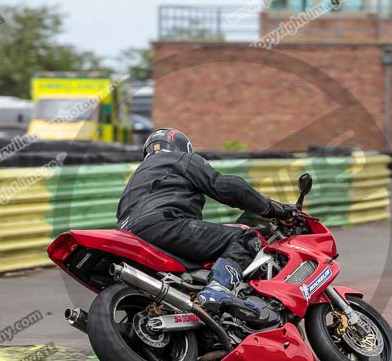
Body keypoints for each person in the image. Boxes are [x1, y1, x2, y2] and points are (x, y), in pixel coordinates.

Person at [116, 128, 296, 325]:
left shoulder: (136, 179)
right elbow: (226, 187)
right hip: (165, 225)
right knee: (245, 238)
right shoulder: (181, 159)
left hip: (129, 236)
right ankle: (218, 288)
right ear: (183, 147)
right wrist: (272, 208)